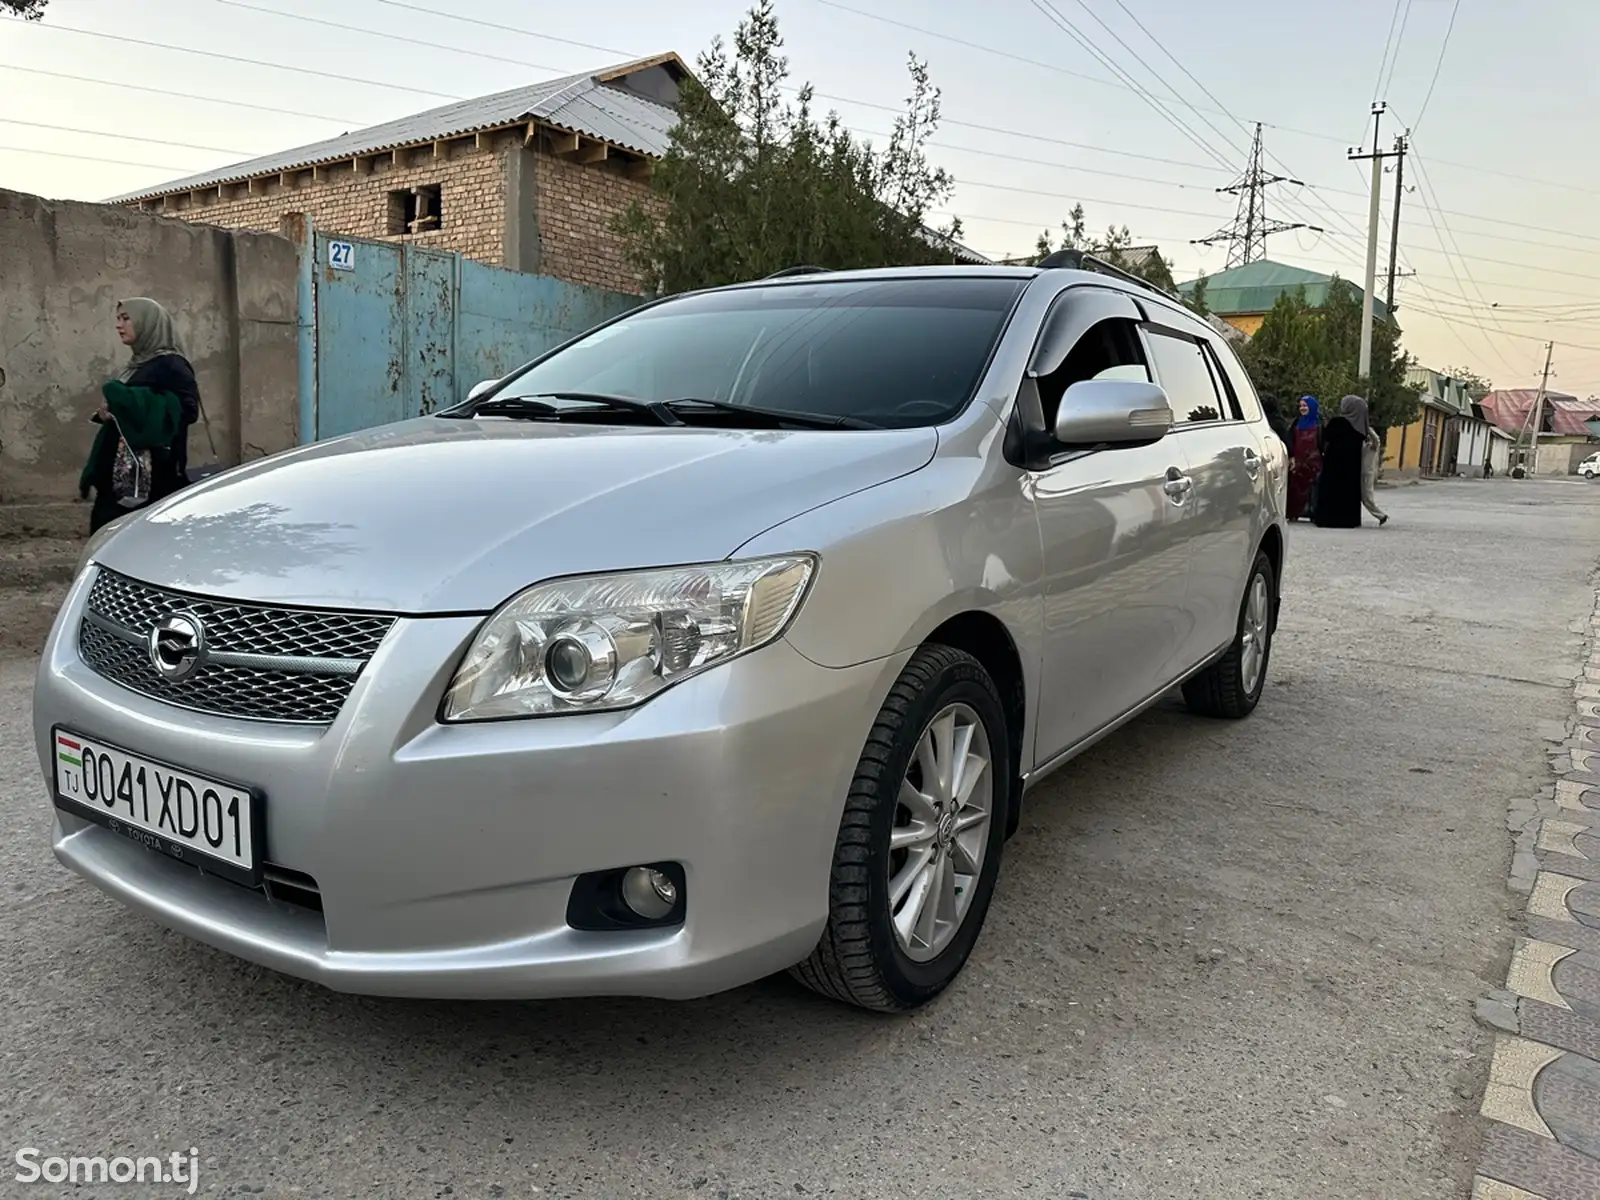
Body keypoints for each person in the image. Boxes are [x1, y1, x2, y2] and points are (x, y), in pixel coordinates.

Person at [79, 298, 200, 532]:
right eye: (118, 319)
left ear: (148, 323)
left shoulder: (172, 364)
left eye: (126, 319)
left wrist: (128, 400)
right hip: (122, 476)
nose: (119, 325)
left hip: (150, 479)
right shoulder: (138, 363)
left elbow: (187, 410)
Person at [1312, 395, 1369, 529]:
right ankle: (1349, 520)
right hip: (1351, 468)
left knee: (1331, 491)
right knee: (1348, 491)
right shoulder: (1360, 426)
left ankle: (1327, 519)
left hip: (1333, 465)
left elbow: (1325, 436)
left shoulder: (1338, 422)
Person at [1351, 396, 1389, 526]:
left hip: (1366, 473)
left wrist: (1367, 429)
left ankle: (1381, 515)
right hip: (1359, 471)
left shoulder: (1372, 446)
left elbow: (1376, 440)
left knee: (1367, 497)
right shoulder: (1362, 444)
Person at [1287, 395, 1322, 521]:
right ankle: (1294, 512)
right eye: (1301, 406)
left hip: (1313, 461)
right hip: (1298, 461)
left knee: (1313, 487)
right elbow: (1290, 439)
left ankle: (1312, 511)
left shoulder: (1319, 424)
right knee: (1296, 487)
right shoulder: (1296, 423)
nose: (1302, 408)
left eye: (1305, 406)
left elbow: (1322, 442)